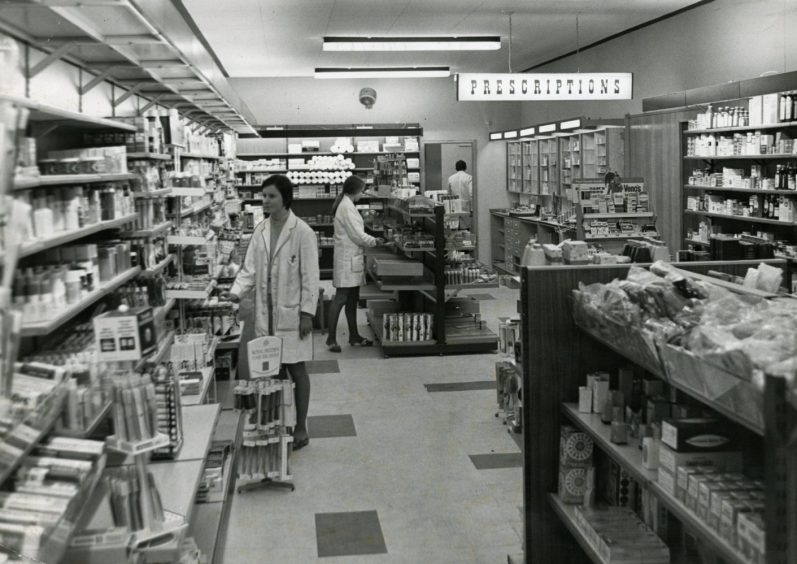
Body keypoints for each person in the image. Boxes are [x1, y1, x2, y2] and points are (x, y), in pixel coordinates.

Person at [221, 174, 319, 450]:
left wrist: (307, 314)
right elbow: (250, 270)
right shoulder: (261, 230)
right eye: (263, 196)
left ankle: (300, 427)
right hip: (266, 315)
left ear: (284, 198)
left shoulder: (302, 232)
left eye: (271, 196)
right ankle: (279, 424)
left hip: (292, 314)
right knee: (273, 374)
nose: (265, 200)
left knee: (297, 370)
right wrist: (235, 292)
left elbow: (310, 277)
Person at [326, 175, 384, 353]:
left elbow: (355, 231)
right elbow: (357, 235)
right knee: (341, 298)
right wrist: (376, 241)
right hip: (347, 260)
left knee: (352, 299)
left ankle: (354, 336)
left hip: (352, 258)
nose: (363, 193)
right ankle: (331, 339)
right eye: (362, 190)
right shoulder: (346, 207)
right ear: (355, 191)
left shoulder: (347, 205)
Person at [447, 160, 473, 228]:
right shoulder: (469, 177)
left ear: (456, 168)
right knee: (467, 229)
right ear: (465, 167)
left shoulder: (451, 178)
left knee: (456, 229)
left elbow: (449, 195)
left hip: (454, 208)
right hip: (467, 207)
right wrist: (472, 209)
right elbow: (471, 194)